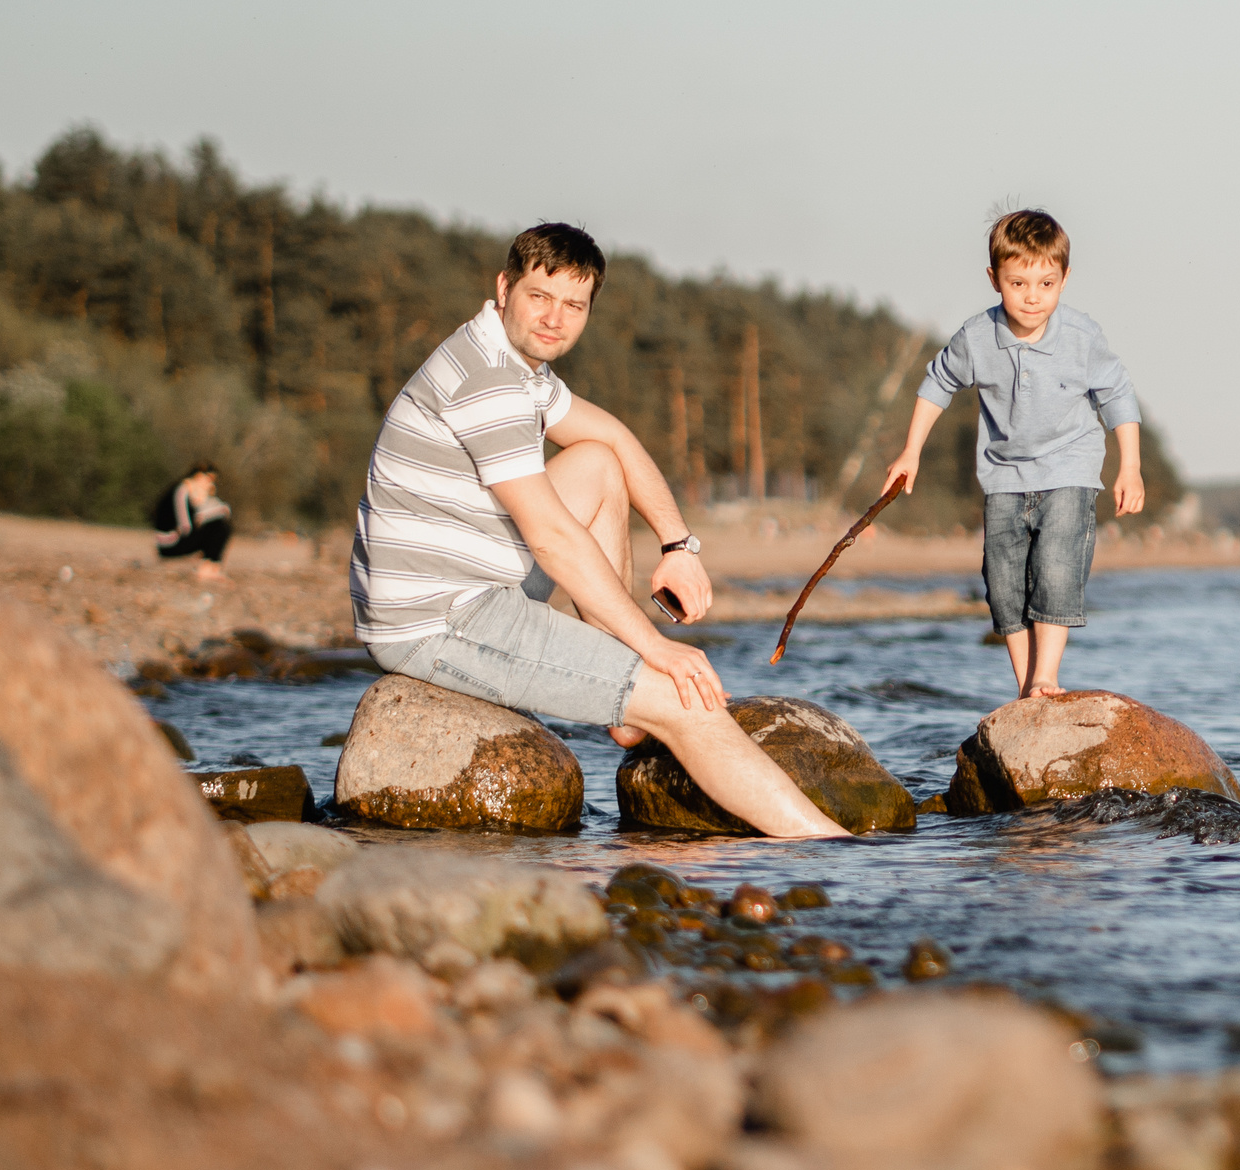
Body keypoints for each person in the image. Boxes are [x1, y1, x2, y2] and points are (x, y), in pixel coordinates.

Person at [347, 222, 849, 839]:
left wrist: (678, 545)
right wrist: (653, 648)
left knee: (597, 464)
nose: (554, 318)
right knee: (682, 700)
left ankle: (623, 706)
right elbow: (553, 539)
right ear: (504, 288)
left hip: (474, 578)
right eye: (539, 296)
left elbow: (611, 436)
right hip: (437, 618)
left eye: (574, 305)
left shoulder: (516, 363)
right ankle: (830, 849)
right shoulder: (488, 380)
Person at [880, 210, 1142, 698]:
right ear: (994, 278)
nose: (1032, 296)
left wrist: (1131, 466)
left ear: (1065, 278)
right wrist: (910, 451)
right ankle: (1026, 687)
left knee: (1056, 568)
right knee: (1003, 582)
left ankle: (1047, 676)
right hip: (1003, 474)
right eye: (1018, 283)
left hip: (1070, 467)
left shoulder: (1081, 336)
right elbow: (937, 384)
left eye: (1046, 283)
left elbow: (1118, 395)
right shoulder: (977, 337)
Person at [154, 461, 233, 579]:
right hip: (169, 544)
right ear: (199, 476)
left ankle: (211, 566)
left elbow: (217, 510)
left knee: (220, 524)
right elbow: (186, 526)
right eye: (210, 479)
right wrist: (210, 514)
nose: (211, 484)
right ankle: (207, 567)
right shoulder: (181, 491)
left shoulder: (192, 492)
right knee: (219, 526)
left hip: (176, 540)